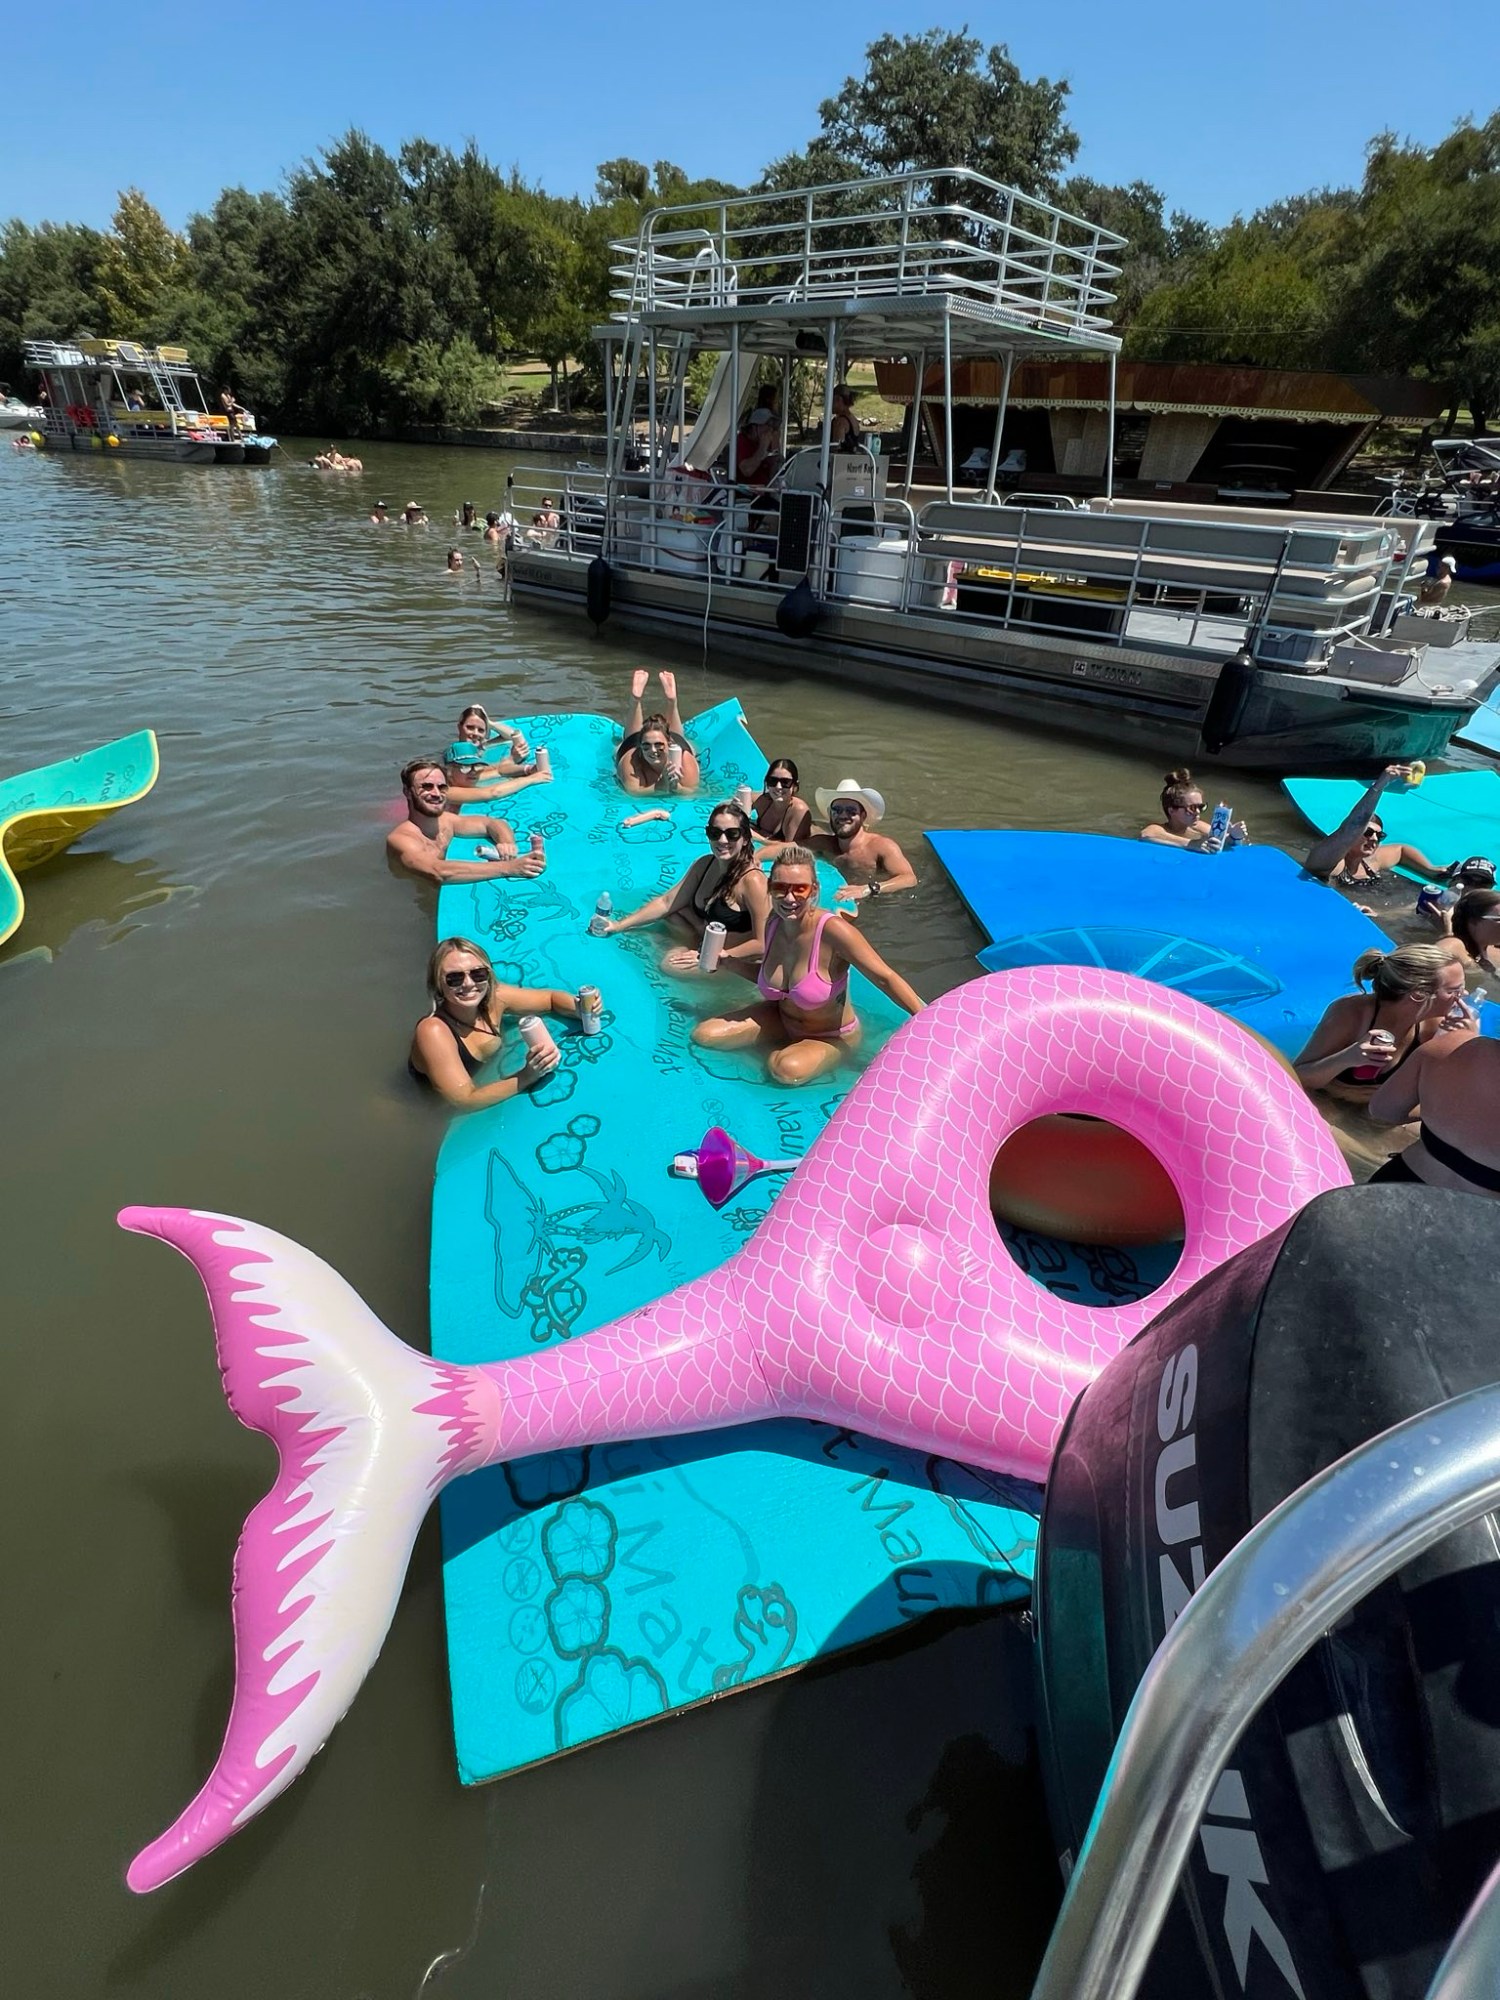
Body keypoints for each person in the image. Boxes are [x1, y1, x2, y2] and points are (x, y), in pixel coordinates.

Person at [692, 846, 924, 1084]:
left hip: (829, 1035)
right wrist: (730, 963)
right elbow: (769, 976)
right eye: (780, 888)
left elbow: (885, 978)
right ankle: (783, 1049)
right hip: (781, 1019)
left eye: (799, 889)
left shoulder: (834, 932)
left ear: (814, 889)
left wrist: (926, 1020)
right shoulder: (774, 922)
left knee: (786, 1070)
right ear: (770, 888)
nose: (789, 898)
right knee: (705, 1035)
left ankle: (787, 1053)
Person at [1293, 943, 1474, 1103]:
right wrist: (1347, 1058)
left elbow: (1441, 1096)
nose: (1463, 995)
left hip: (1376, 1110)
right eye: (1454, 990)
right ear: (1418, 995)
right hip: (1326, 1101)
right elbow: (1297, 1077)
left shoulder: (1434, 1027)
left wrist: (1467, 1042)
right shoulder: (1351, 1014)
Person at [596, 803, 769, 972]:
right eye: (715, 833)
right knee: (672, 913)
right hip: (703, 939)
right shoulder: (705, 864)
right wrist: (619, 926)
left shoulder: (752, 881)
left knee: (668, 967)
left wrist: (711, 956)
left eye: (732, 834)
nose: (722, 840)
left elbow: (763, 943)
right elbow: (666, 902)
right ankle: (687, 945)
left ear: (745, 838)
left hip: (729, 959)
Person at [409, 937, 574, 1111]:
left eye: (478, 974)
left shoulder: (495, 998)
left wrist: (581, 1008)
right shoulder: (433, 1031)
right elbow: (464, 1100)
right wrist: (527, 1075)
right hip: (426, 1106)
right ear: (438, 984)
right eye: (454, 978)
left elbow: (551, 999)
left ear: (488, 975)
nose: (469, 984)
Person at [1366, 1014, 1500, 1193]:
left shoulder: (1450, 1045)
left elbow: (1383, 1109)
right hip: (1473, 1214)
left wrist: (1440, 1110)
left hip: (1394, 1186)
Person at [386, 760, 546, 884]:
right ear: (407, 792)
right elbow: (437, 871)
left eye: (442, 787)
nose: (436, 793)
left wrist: (506, 844)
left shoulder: (446, 820)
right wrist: (509, 868)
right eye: (427, 787)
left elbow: (492, 823)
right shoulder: (402, 839)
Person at [765, 779, 917, 907]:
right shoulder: (824, 844)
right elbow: (786, 849)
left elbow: (909, 879)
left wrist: (868, 889)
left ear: (863, 816)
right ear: (830, 814)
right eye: (837, 810)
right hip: (842, 898)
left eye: (851, 811)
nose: (843, 815)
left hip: (880, 904)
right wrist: (756, 858)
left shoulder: (881, 846)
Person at [1304, 765, 1455, 892]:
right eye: (1368, 833)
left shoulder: (1371, 861)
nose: (1374, 839)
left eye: (1379, 835)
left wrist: (1430, 869)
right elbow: (1352, 827)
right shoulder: (1331, 865)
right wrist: (1379, 786)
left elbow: (1400, 850)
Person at [616, 669, 700, 794]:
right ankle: (635, 700)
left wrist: (676, 787)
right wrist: (662, 784)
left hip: (676, 743)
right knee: (629, 739)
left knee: (684, 742)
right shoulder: (631, 760)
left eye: (659, 745)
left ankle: (672, 701)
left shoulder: (685, 760)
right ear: (641, 746)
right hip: (633, 745)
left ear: (669, 743)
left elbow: (692, 793)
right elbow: (633, 792)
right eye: (646, 746)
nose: (653, 750)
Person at [1140, 769, 1248, 850]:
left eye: (1201, 807)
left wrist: (1234, 836)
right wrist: (1190, 844)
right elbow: (1146, 834)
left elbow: (1218, 842)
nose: (1197, 812)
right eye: (1192, 808)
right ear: (1172, 810)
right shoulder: (1161, 829)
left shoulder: (1197, 827)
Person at [751, 759, 813, 844]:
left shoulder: (799, 811)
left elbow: (792, 850)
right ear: (767, 783)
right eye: (773, 781)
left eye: (785, 782)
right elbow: (745, 797)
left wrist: (760, 839)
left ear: (795, 785)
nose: (778, 787)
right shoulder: (764, 800)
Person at [829, 383, 860, 450]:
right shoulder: (853, 419)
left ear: (838, 400)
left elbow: (836, 447)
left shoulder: (840, 422)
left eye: (832, 400)